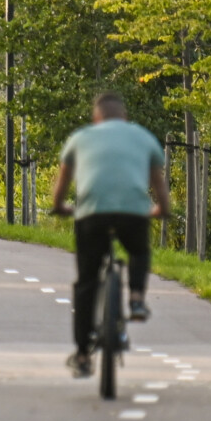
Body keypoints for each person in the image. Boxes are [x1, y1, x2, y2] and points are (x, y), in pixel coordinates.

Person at [51, 92, 170, 379]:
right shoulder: (142, 137)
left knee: (87, 282)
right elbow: (158, 181)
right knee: (139, 251)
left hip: (91, 214)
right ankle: (137, 298)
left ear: (96, 117)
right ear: (124, 116)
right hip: (133, 213)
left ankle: (82, 355)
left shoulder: (80, 137)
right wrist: (162, 210)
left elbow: (63, 180)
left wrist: (59, 206)